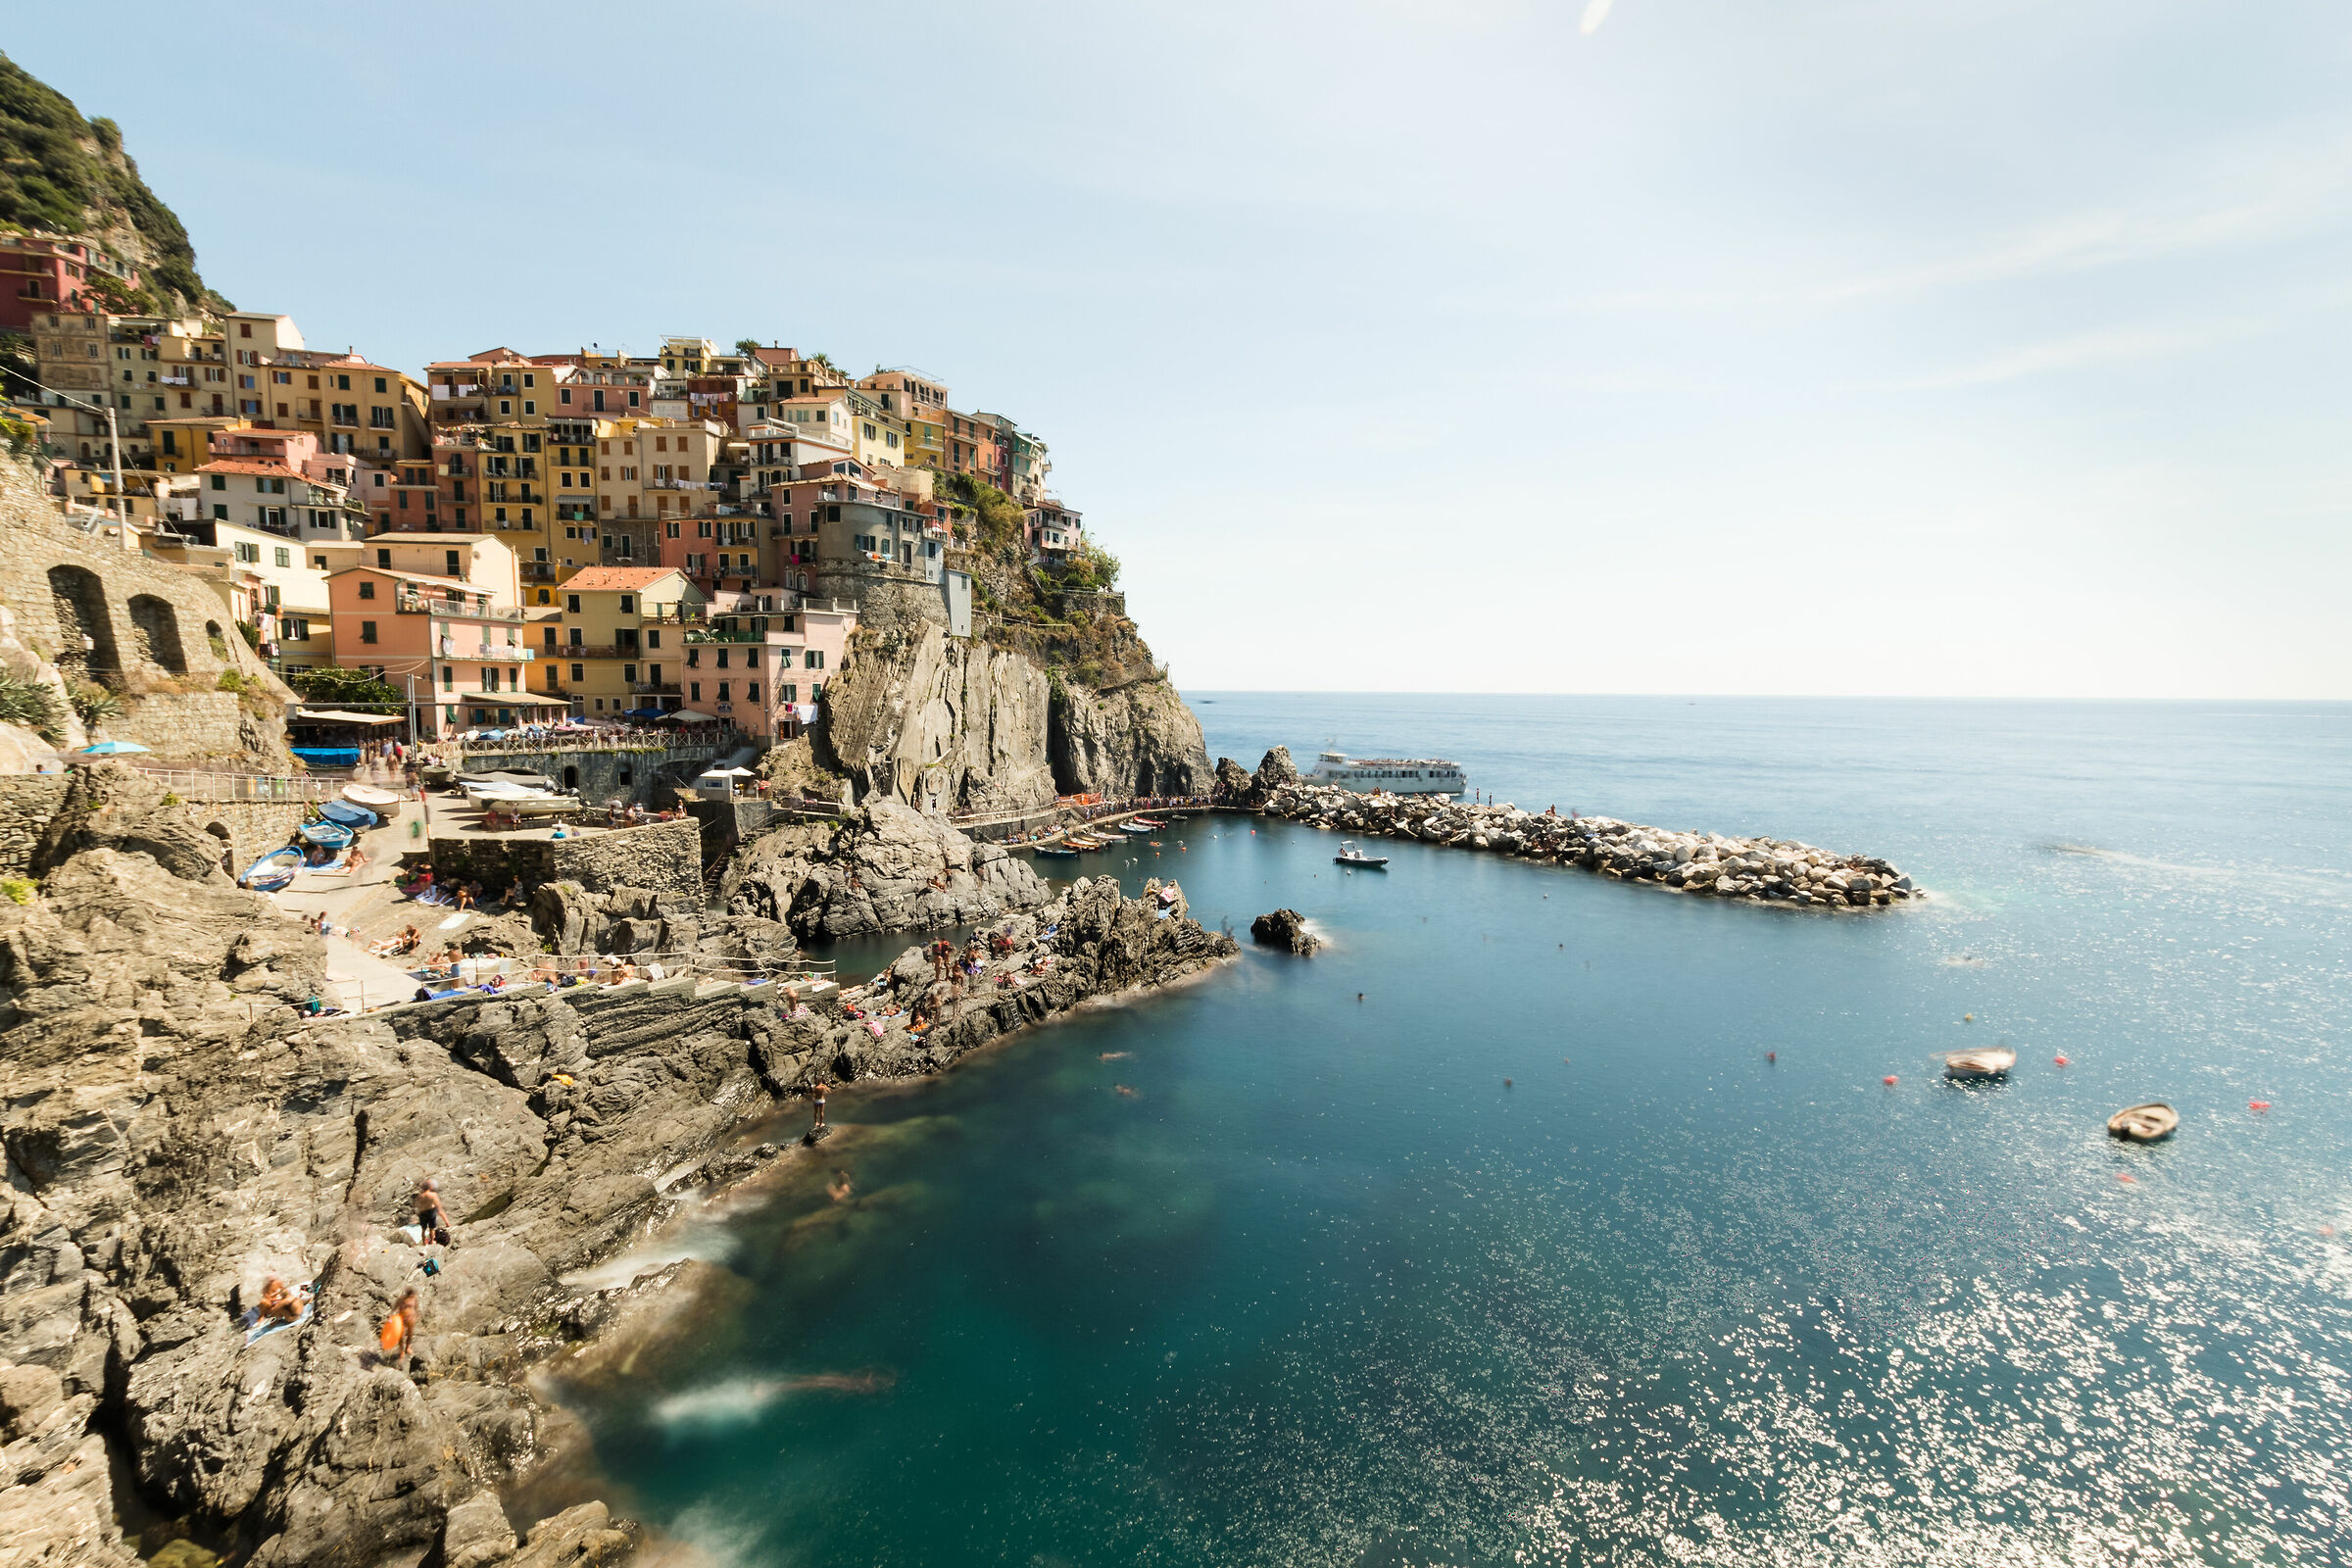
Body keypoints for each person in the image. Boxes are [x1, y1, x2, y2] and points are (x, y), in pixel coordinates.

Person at [378, 1287, 420, 1370]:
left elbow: (416, 1308)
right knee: (401, 1336)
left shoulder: (415, 1299)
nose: (412, 1296)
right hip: (401, 1319)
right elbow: (394, 1309)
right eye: (411, 1295)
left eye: (413, 1295)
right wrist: (391, 1318)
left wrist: (416, 1316)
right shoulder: (401, 1299)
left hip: (411, 1318)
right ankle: (401, 1351)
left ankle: (408, 1347)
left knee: (410, 1334)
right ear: (408, 1294)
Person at [414, 1179, 452, 1244]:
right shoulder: (433, 1195)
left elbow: (418, 1206)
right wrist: (447, 1223)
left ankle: (424, 1243)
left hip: (422, 1213)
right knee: (432, 1228)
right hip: (431, 1211)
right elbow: (439, 1208)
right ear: (429, 1187)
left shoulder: (420, 1196)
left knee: (423, 1230)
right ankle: (432, 1241)